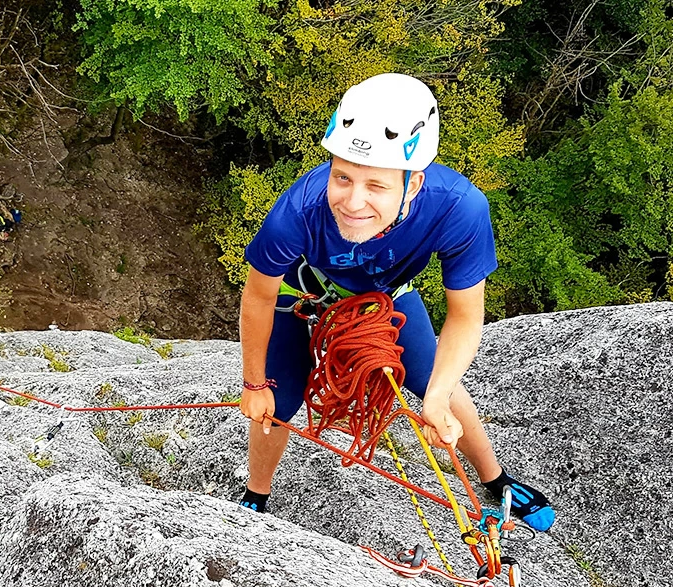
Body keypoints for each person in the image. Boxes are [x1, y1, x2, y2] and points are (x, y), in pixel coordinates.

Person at [237, 73, 555, 532]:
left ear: (413, 183)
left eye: (377, 186)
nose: (352, 201)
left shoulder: (457, 208)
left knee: (434, 385)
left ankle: (497, 478)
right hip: (302, 292)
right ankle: (256, 496)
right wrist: (253, 383)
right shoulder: (300, 208)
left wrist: (440, 396)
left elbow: (465, 315)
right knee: (277, 399)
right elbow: (259, 296)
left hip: (387, 296)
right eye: (342, 176)